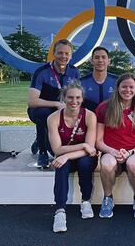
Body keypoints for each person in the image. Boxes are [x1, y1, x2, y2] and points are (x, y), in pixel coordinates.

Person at [95, 73, 135, 219]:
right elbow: (98, 141)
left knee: (133, 164)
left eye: (131, 87)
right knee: (106, 164)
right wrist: (113, 151)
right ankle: (108, 198)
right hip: (111, 152)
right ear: (117, 88)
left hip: (132, 152)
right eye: (124, 86)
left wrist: (130, 152)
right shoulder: (104, 107)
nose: (128, 90)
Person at [47, 81, 98, 233]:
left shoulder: (90, 116)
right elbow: (57, 149)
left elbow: (90, 150)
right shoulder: (53, 118)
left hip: (83, 157)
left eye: (77, 98)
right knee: (60, 165)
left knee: (84, 163)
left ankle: (86, 201)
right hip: (66, 156)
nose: (74, 102)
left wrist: (67, 155)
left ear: (82, 99)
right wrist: (82, 145)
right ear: (63, 98)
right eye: (70, 98)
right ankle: (60, 211)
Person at [28, 39, 80, 168]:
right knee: (43, 114)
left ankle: (43, 140)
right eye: (60, 53)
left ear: (71, 55)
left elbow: (77, 96)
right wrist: (56, 104)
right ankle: (43, 151)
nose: (63, 56)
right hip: (42, 109)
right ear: (53, 54)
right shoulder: (41, 71)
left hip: (64, 110)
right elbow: (32, 101)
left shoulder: (74, 72)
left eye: (67, 54)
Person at [80, 46, 118, 112]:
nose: (100, 60)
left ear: (109, 61)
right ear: (91, 61)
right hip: (88, 120)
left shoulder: (117, 81)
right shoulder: (81, 82)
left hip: (110, 120)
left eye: (103, 57)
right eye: (97, 57)